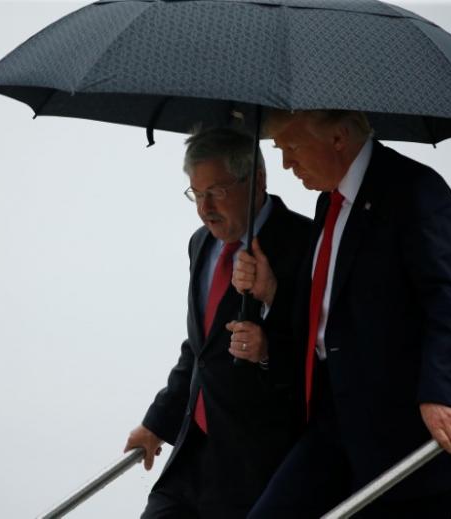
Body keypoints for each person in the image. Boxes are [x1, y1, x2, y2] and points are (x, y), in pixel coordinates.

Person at [233, 110, 451, 518]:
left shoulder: (416, 190)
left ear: (338, 138)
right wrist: (270, 292)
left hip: (410, 425)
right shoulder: (326, 204)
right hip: (337, 420)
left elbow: (448, 301)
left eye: (292, 148)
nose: (285, 164)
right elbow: (331, 314)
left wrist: (441, 393)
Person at [123, 126, 312, 518]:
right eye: (197, 192)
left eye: (217, 192)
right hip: (193, 456)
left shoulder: (306, 242)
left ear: (257, 180)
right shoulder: (201, 243)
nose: (205, 207)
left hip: (257, 467)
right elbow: (200, 348)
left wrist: (269, 325)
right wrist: (158, 422)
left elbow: (321, 352)